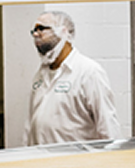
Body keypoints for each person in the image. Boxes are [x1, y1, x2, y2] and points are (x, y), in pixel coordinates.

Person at [24, 10, 121, 145]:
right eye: (34, 30)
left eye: (42, 29)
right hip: (41, 160)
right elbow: (31, 124)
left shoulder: (88, 72)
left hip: (76, 161)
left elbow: (107, 125)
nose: (35, 34)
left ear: (63, 32)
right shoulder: (40, 74)